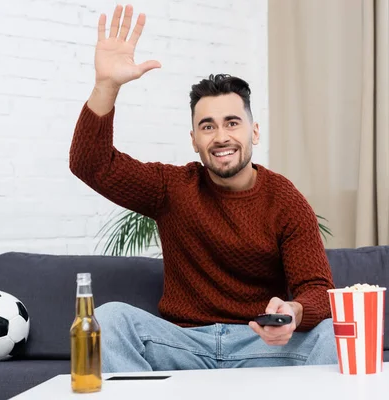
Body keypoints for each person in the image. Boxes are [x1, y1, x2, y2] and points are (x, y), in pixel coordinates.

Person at [69, 4, 338, 372]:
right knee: (110, 319)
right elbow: (91, 164)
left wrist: (294, 311)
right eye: (208, 126)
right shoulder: (171, 188)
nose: (221, 136)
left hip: (257, 345)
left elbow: (318, 290)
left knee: (332, 335)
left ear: (253, 131)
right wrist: (106, 85)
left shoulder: (285, 200)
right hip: (182, 344)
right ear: (194, 139)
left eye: (232, 122)